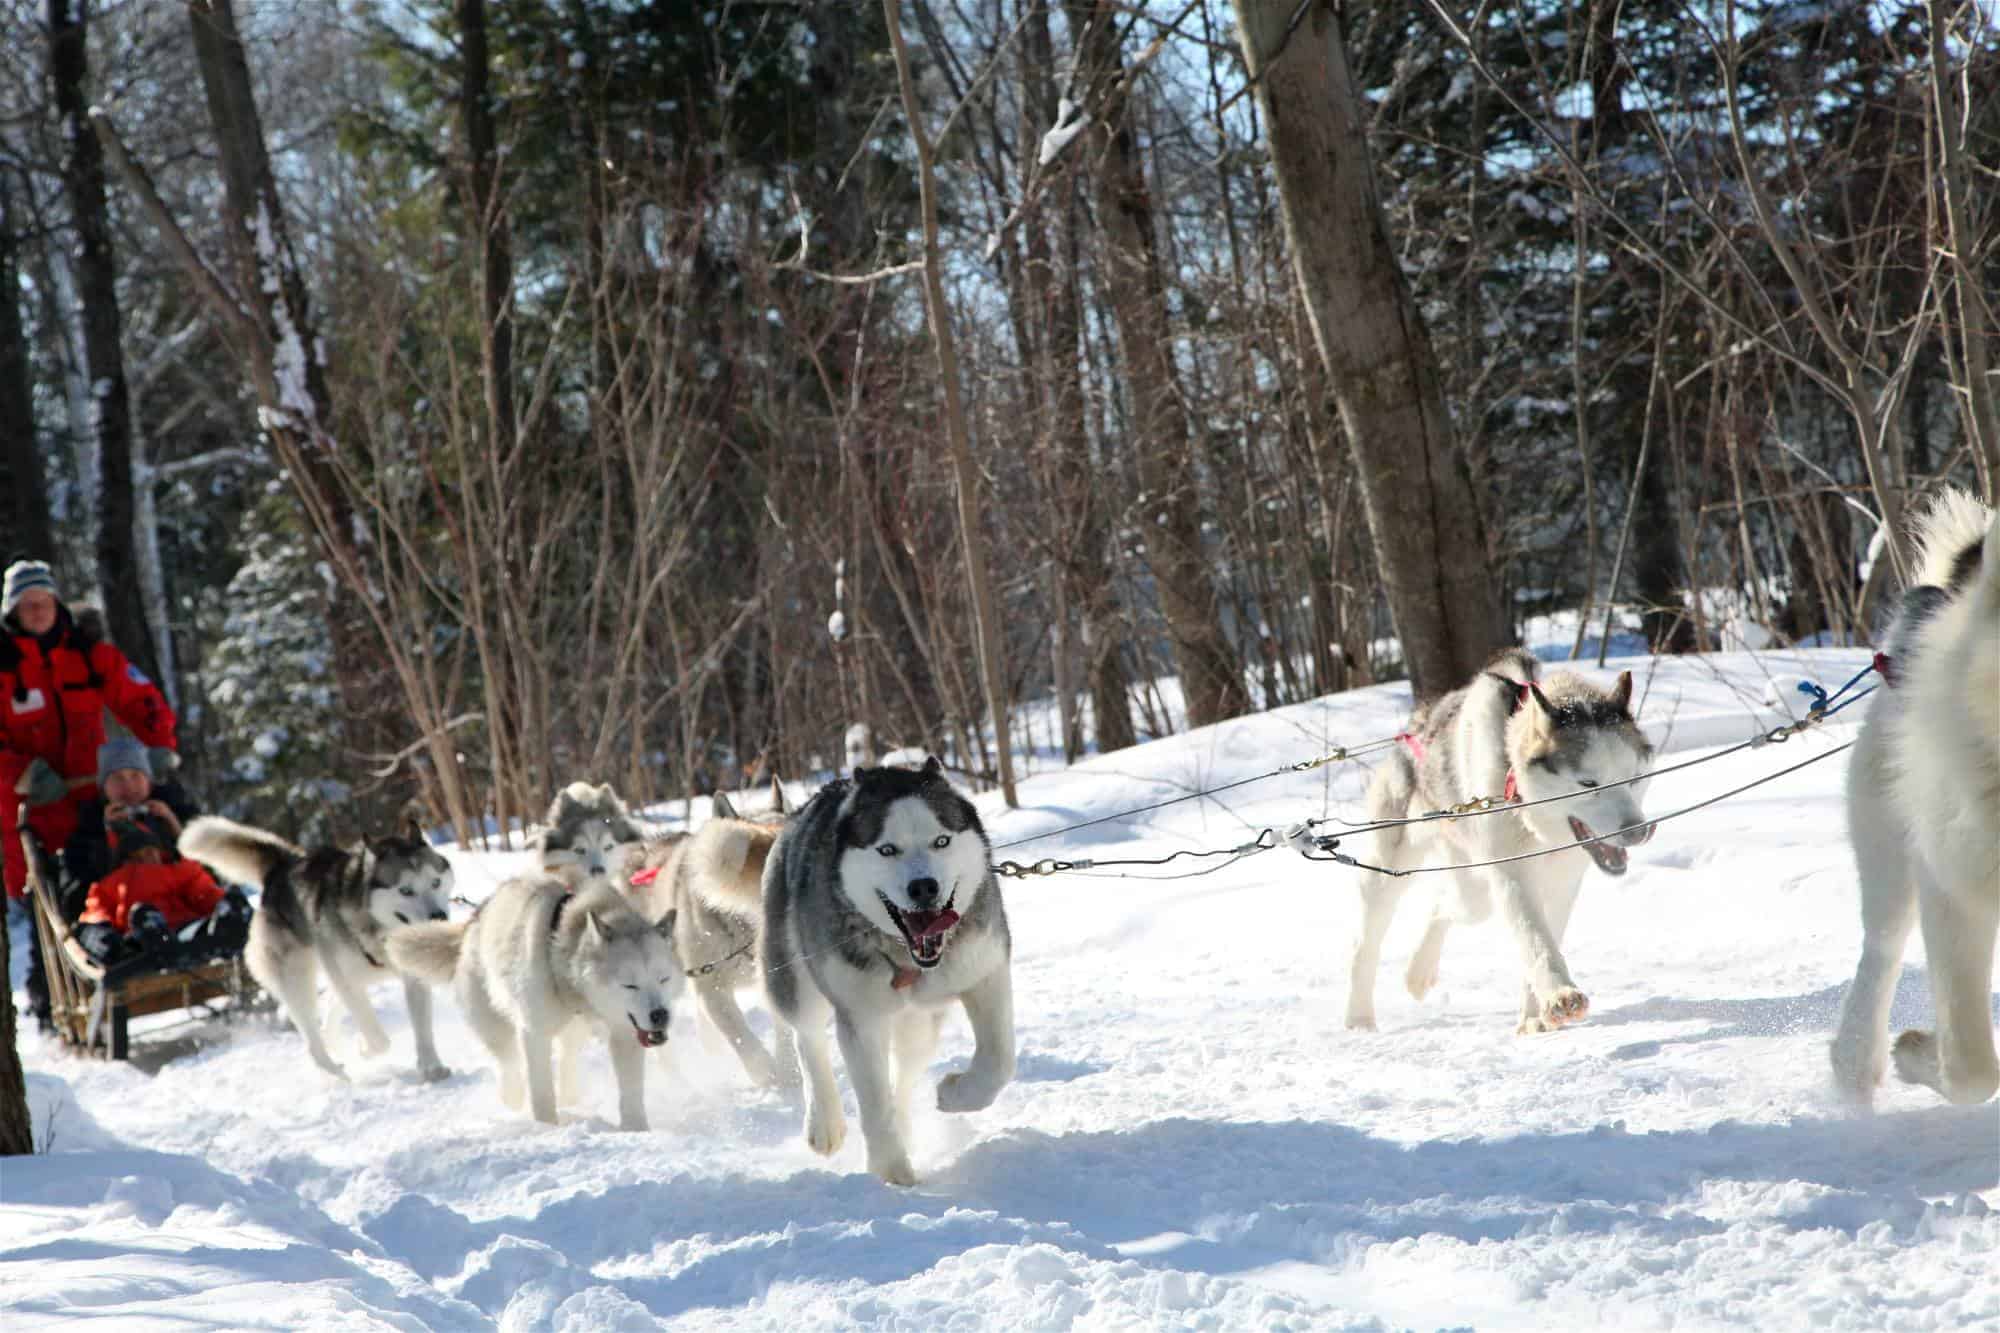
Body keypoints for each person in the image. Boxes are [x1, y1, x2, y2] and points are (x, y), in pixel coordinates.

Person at [2, 558, 178, 904]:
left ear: (58, 604)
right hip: (33, 812)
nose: (38, 611)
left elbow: (145, 701)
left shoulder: (87, 655)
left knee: (112, 885)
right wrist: (24, 774)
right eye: (28, 605)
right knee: (48, 910)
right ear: (13, 613)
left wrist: (159, 748)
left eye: (45, 602)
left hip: (92, 804)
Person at [74, 818, 249, 973]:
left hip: (188, 931)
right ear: (126, 858)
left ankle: (228, 938)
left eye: (152, 850)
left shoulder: (181, 872)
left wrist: (225, 906)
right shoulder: (109, 886)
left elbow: (207, 896)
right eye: (140, 853)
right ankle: (165, 951)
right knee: (143, 914)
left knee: (232, 903)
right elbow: (96, 917)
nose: (149, 856)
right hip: (142, 940)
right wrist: (100, 935)